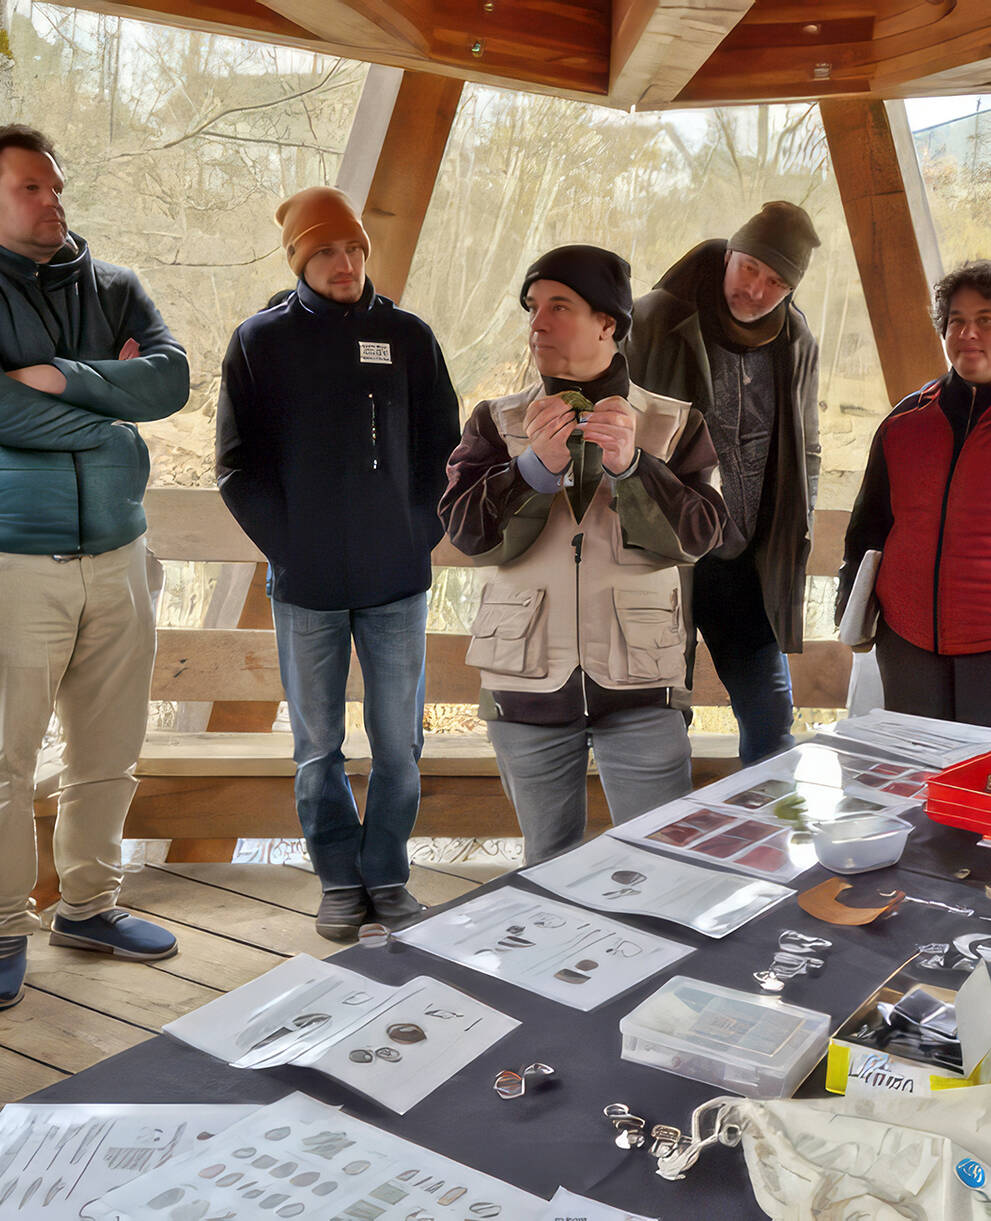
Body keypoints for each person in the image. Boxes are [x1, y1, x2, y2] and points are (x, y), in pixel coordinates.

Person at [216, 186, 460, 938]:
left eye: (353, 248)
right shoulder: (260, 342)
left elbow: (442, 452)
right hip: (307, 587)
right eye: (326, 250)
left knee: (399, 741)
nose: (345, 262)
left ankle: (386, 873)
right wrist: (292, 546)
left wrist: (413, 533)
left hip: (397, 583)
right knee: (316, 746)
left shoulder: (408, 337)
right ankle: (336, 879)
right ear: (300, 259)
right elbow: (236, 468)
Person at [440, 245, 726, 864]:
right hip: (525, 683)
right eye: (533, 308)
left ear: (609, 324)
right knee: (548, 865)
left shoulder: (675, 424)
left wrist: (634, 468)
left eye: (558, 307)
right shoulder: (496, 421)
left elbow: (700, 536)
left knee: (658, 864)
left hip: (643, 686)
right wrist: (531, 469)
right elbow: (468, 535)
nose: (537, 324)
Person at [0, 124, 190, 1009]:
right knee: (3, 760)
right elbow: (10, 412)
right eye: (28, 189)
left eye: (55, 185)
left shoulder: (116, 286)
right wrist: (113, 407)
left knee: (109, 747)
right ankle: (3, 925)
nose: (52, 202)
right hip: (15, 561)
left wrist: (60, 379)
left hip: (120, 551)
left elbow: (170, 381)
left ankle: (89, 906)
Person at [625, 202, 821, 765]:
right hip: (665, 558)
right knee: (660, 717)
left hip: (747, 561)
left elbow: (806, 445)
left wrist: (797, 529)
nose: (757, 290)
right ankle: (663, 848)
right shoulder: (657, 318)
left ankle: (768, 844)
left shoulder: (796, 339)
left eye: (776, 282)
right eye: (750, 268)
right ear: (730, 252)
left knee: (770, 715)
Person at [836, 260, 991, 725]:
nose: (968, 333)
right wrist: (850, 602)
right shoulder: (905, 422)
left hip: (987, 644)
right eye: (957, 321)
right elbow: (868, 526)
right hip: (906, 642)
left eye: (985, 320)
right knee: (918, 778)